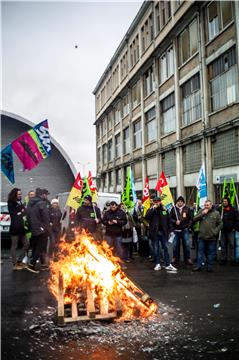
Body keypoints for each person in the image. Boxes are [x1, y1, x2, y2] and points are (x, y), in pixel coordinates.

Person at [146, 196, 177, 272]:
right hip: (154, 232)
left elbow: (169, 220)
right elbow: (147, 217)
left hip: (163, 232)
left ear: (160, 202)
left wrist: (171, 230)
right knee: (156, 249)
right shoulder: (151, 209)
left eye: (158, 201)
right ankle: (158, 264)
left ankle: (168, 264)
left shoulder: (164, 210)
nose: (156, 203)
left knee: (166, 248)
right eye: (155, 201)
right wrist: (153, 208)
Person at [193, 200, 223, 272]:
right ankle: (199, 266)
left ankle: (209, 266)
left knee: (210, 252)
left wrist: (215, 232)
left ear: (211, 205)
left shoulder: (216, 213)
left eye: (208, 205)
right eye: (205, 205)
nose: (206, 206)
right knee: (200, 252)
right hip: (201, 236)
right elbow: (194, 219)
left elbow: (220, 224)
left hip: (211, 237)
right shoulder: (201, 211)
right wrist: (202, 214)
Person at [26, 188, 51, 273]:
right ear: (42, 195)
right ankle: (32, 264)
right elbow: (46, 217)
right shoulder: (41, 203)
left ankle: (37, 263)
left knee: (36, 246)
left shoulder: (30, 202)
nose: (46, 196)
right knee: (40, 247)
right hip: (42, 229)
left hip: (34, 228)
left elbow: (28, 215)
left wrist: (31, 227)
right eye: (46, 194)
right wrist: (46, 228)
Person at [7, 188, 29, 270]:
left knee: (27, 243)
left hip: (22, 227)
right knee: (14, 245)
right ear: (15, 194)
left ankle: (19, 261)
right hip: (15, 227)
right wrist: (21, 211)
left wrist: (22, 210)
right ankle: (14, 264)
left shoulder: (20, 202)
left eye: (21, 194)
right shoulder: (11, 202)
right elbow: (13, 214)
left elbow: (24, 211)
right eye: (19, 194)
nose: (20, 195)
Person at [170, 196, 193, 266]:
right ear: (177, 202)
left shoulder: (187, 209)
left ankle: (188, 258)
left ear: (183, 202)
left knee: (186, 245)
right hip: (176, 230)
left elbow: (191, 219)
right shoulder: (173, 209)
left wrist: (188, 227)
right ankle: (175, 258)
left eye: (181, 201)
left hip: (184, 230)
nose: (180, 202)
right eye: (178, 201)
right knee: (175, 245)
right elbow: (170, 218)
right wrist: (174, 221)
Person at [219, 197, 239, 265]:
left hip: (231, 231)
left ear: (228, 202)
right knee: (223, 245)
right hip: (223, 231)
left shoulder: (233, 209)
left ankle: (232, 260)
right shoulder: (221, 209)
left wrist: (235, 228)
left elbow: (237, 219)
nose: (224, 202)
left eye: (225, 201)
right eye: (223, 201)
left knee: (232, 245)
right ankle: (223, 259)